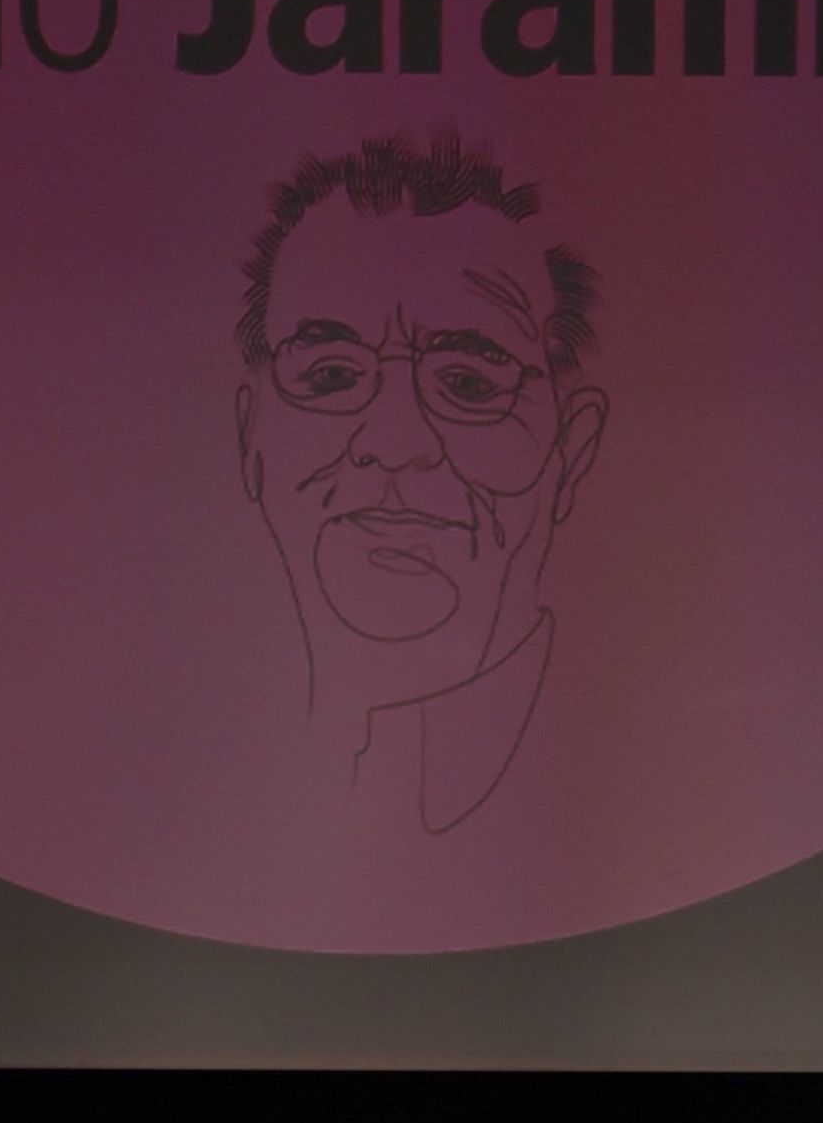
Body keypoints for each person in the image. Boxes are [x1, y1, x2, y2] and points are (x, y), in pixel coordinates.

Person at [234, 132, 607, 834]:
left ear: (572, 447)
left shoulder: (647, 795)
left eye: (468, 384)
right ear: (251, 435)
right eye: (332, 376)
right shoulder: (173, 783)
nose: (392, 443)